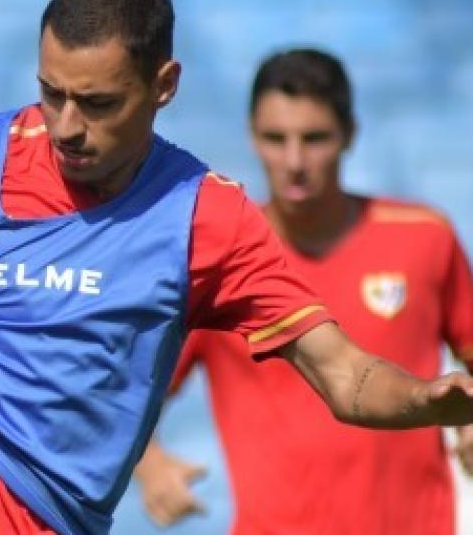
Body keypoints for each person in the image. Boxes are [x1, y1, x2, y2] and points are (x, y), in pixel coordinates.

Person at [0, 0, 473, 535]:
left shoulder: (204, 216)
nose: (66, 126)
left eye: (97, 103)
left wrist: (427, 399)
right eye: (50, 94)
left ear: (163, 86)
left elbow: (343, 378)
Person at [132, 48, 473, 534]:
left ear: (350, 134)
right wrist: (151, 467)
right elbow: (127, 394)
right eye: (276, 138)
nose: (294, 161)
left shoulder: (424, 237)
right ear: (252, 136)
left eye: (314, 139)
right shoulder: (221, 258)